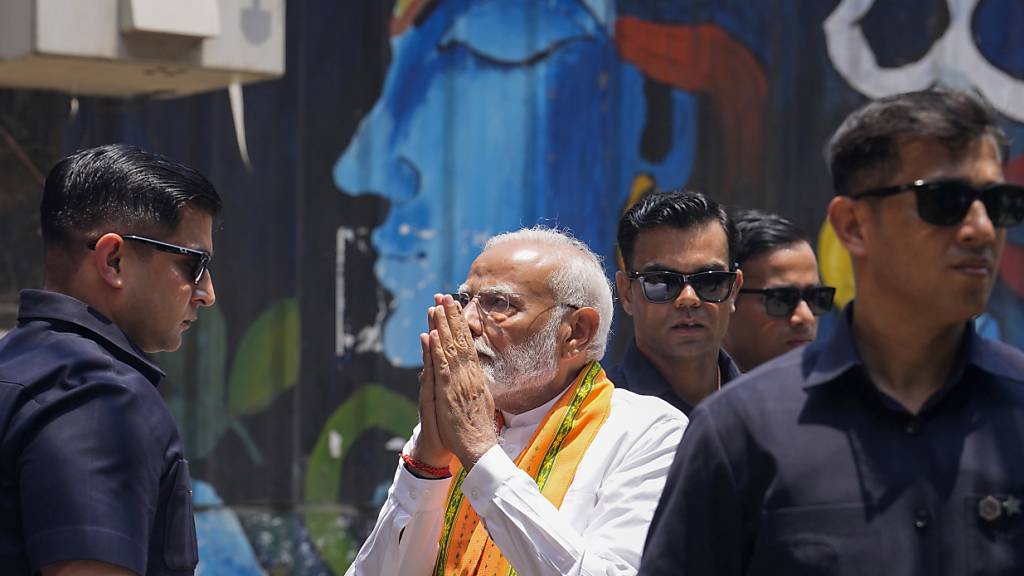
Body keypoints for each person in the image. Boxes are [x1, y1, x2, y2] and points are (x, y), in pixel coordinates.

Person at [639, 89, 1024, 575]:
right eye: (945, 201)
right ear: (854, 225)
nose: (982, 229)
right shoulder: (739, 432)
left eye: (1000, 203)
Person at [347, 227, 686, 575]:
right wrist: (426, 466)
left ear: (577, 332)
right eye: (464, 302)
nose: (466, 323)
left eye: (499, 304)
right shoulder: (450, 429)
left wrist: (481, 453)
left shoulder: (650, 432)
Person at [0, 144, 220, 575]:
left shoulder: (15, 367)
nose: (207, 292)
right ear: (113, 259)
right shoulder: (99, 397)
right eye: (194, 264)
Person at [606, 191, 743, 415]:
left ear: (734, 289)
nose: (688, 298)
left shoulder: (772, 412)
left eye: (710, 281)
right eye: (661, 281)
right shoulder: (592, 421)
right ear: (626, 293)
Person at [722, 209, 836, 371]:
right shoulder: (685, 394)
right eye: (782, 299)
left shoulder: (838, 394)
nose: (805, 317)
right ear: (729, 296)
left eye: (815, 297)